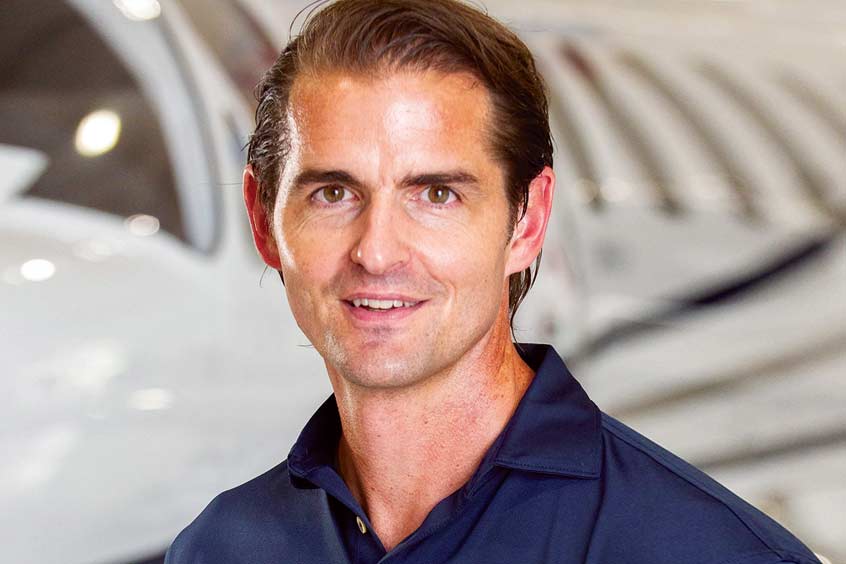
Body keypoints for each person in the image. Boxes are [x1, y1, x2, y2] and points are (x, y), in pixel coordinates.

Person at [165, 1, 822, 562]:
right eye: (333, 193)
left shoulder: (703, 551)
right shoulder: (220, 547)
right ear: (264, 221)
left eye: (437, 195)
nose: (377, 251)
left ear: (526, 222)